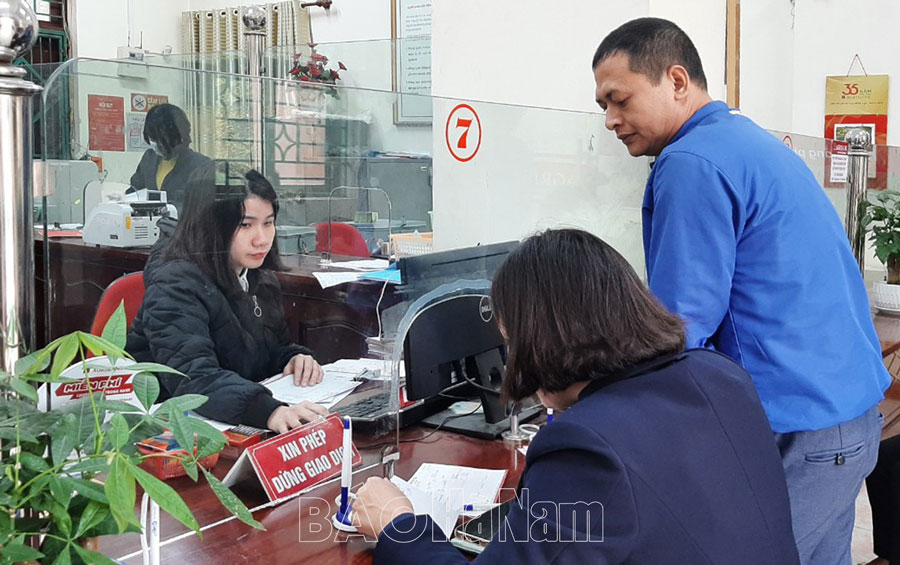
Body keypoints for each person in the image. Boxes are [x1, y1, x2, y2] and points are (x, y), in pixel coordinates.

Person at [591, 17, 889, 563]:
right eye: (603, 105)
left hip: (798, 427)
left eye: (620, 99)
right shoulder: (748, 141)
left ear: (676, 81)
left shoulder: (691, 162)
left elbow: (679, 326)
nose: (610, 119)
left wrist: (599, 401)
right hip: (845, 417)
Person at [353, 229, 799, 564]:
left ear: (539, 337)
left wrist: (398, 525)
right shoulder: (721, 375)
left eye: (510, 341)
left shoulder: (589, 449)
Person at [126, 169, 328, 433]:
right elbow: (194, 377)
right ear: (210, 225)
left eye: (268, 223)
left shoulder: (257, 275)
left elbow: (266, 350)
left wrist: (294, 358)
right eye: (245, 225)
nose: (262, 239)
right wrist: (269, 411)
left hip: (230, 417)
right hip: (167, 429)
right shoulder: (175, 283)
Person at [129, 103, 211, 211]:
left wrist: (173, 209)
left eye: (162, 142)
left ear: (177, 139)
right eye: (153, 140)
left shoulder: (201, 166)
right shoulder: (149, 159)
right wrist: (122, 199)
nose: (156, 146)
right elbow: (136, 190)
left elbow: (205, 206)